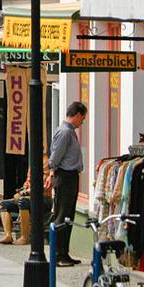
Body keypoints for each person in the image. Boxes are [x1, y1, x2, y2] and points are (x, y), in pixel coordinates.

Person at [47, 100, 88, 267]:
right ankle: (58, 254)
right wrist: (52, 171)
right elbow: (55, 156)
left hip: (69, 176)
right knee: (62, 215)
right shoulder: (65, 132)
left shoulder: (69, 132)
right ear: (77, 115)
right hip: (65, 177)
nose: (82, 122)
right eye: (82, 119)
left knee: (68, 216)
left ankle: (64, 252)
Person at [0, 154, 53, 245]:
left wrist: (23, 193)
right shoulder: (33, 162)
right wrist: (21, 191)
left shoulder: (45, 162)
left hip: (44, 198)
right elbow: (27, 182)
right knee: (3, 204)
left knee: (23, 202)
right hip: (29, 197)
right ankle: (8, 235)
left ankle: (24, 237)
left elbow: (42, 186)